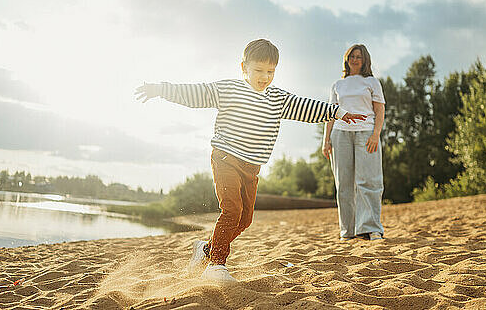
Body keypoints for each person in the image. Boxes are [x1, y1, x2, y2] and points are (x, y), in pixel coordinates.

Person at [136, 39, 366, 283]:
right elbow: (195, 93)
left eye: (270, 72)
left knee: (245, 219)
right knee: (232, 210)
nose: (265, 77)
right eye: (259, 70)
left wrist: (338, 112)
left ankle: (206, 249)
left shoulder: (278, 99)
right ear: (244, 67)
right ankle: (216, 264)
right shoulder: (229, 89)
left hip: (252, 166)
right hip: (226, 158)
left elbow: (306, 106)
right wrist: (160, 89)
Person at [321, 44, 385, 241]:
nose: (355, 60)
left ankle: (371, 228)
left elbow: (379, 110)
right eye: (352, 56)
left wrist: (376, 134)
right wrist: (326, 140)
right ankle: (347, 231)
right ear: (347, 59)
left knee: (369, 181)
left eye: (359, 56)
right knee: (344, 184)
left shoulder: (372, 82)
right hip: (341, 135)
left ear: (365, 60)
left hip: (366, 133)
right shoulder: (337, 85)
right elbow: (331, 114)